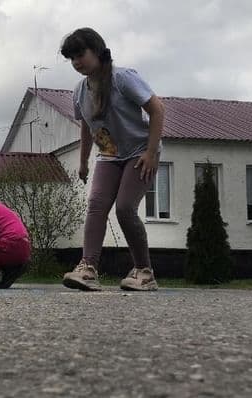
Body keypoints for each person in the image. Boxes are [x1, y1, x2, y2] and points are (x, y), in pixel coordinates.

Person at [58, 27, 165, 292]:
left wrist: (151, 153)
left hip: (140, 151)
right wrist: (83, 162)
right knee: (96, 205)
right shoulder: (79, 90)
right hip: (108, 155)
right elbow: (85, 126)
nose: (76, 62)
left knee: (125, 209)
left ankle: (144, 272)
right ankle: (88, 268)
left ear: (97, 51)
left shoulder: (122, 78)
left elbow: (157, 108)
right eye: (71, 58)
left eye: (80, 54)